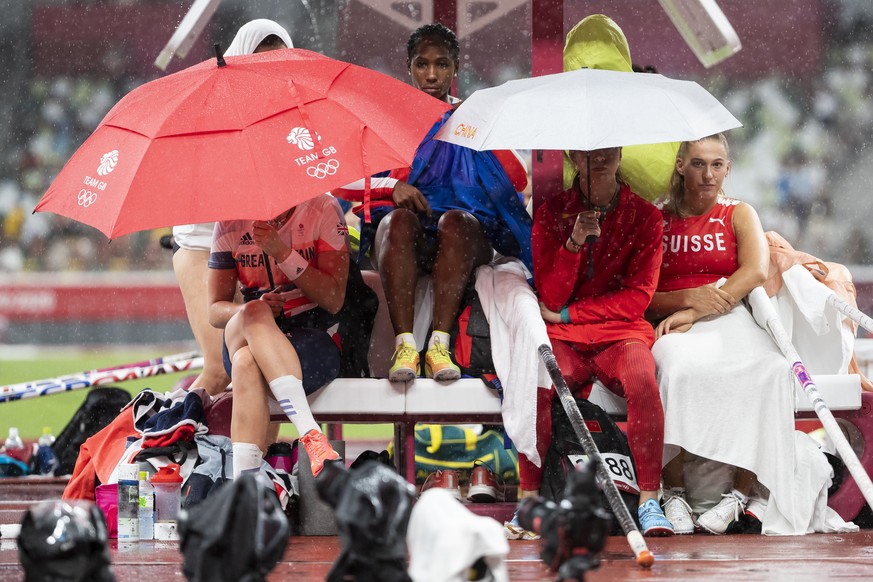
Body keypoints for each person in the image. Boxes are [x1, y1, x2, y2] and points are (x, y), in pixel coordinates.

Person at [648, 134, 839, 535]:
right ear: (680, 166)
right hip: (672, 321)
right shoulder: (656, 218)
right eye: (699, 163)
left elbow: (753, 270)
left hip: (727, 313)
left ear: (728, 169)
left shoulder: (738, 212)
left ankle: (740, 495)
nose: (708, 174)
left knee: (770, 367)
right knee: (678, 369)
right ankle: (675, 491)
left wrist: (698, 308)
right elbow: (642, 292)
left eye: (717, 165)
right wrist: (684, 305)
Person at [334, 23, 531, 383]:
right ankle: (405, 345)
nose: (431, 74)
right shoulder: (387, 119)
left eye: (441, 64)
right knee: (398, 221)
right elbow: (339, 177)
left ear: (455, 68)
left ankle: (438, 347)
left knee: (455, 221)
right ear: (409, 66)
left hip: (463, 239)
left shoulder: (472, 118)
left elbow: (517, 179)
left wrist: (479, 129)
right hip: (405, 239)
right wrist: (390, 185)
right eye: (422, 64)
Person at [522, 146, 673, 536]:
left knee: (642, 379)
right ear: (573, 156)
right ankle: (529, 501)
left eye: (608, 150)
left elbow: (638, 298)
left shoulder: (645, 216)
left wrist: (574, 314)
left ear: (621, 153)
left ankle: (650, 500)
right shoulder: (551, 213)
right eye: (589, 152)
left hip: (619, 336)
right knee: (537, 380)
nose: (600, 157)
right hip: (565, 341)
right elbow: (551, 297)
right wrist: (573, 244)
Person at [172, 19, 294, 398]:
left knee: (257, 368)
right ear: (240, 60)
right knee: (217, 369)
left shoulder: (287, 116)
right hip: (201, 242)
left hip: (255, 248)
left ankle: (251, 458)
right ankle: (152, 445)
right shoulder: (215, 112)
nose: (268, 74)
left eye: (279, 64)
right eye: (259, 63)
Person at [207, 193, 348, 478]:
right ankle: (310, 434)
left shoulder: (323, 208)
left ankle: (244, 490)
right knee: (256, 312)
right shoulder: (229, 221)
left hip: (310, 337)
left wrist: (283, 254)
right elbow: (215, 311)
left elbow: (333, 299)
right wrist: (250, 307)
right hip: (245, 328)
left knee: (247, 362)